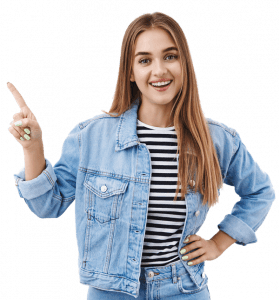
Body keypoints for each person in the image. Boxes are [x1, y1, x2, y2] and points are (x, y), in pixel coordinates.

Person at [7, 11, 275, 300]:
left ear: (185, 63)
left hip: (183, 288)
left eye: (170, 56)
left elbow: (260, 192)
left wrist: (219, 243)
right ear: (130, 72)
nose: (159, 70)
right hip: (111, 291)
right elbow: (48, 205)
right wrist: (33, 148)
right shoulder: (92, 137)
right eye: (145, 60)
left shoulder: (217, 140)